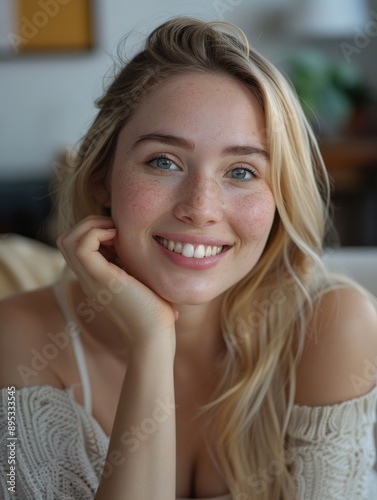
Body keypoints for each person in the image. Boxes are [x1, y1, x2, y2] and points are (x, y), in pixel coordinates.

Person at [1, 16, 377, 500]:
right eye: (164, 162)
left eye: (242, 171)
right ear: (102, 179)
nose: (200, 208)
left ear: (280, 194)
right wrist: (152, 343)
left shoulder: (337, 329)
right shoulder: (16, 344)